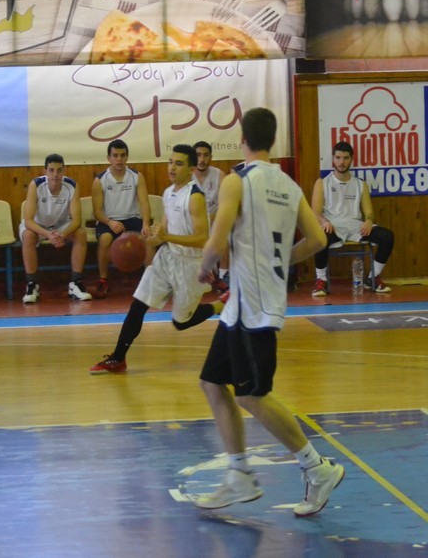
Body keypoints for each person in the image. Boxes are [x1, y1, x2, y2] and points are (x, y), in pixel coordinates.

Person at [192, 108, 345, 518]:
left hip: (253, 308)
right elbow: (317, 240)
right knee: (212, 382)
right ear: (273, 141)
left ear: (242, 139)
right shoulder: (289, 185)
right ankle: (239, 473)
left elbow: (217, 239)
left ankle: (317, 467)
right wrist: (281, 261)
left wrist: (204, 267)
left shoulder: (237, 180)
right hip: (244, 305)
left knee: (252, 395)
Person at [89, 145, 224, 375]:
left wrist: (166, 237)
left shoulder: (195, 197)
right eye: (170, 162)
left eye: (178, 164)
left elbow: (203, 239)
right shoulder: (168, 192)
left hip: (190, 264)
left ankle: (222, 304)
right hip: (167, 257)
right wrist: (150, 238)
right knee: (138, 304)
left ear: (191, 169)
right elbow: (165, 228)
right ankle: (118, 358)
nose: (172, 167)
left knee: (181, 322)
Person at [311, 141, 395, 296]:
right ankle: (321, 281)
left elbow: (369, 213)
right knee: (319, 237)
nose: (341, 162)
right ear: (333, 159)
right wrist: (324, 221)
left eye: (345, 158)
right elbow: (315, 212)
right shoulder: (322, 183)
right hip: (333, 226)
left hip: (356, 227)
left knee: (387, 237)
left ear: (351, 159)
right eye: (338, 158)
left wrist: (369, 221)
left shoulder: (360, 184)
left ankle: (372, 277)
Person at [20, 153, 92, 304]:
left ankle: (75, 283)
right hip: (39, 226)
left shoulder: (71, 185)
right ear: (45, 171)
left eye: (59, 170)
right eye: (51, 170)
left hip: (60, 226)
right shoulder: (36, 185)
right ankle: (32, 284)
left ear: (64, 171)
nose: (55, 174)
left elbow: (77, 220)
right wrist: (49, 235)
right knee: (28, 235)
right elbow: (28, 221)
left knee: (81, 234)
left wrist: (63, 235)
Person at [90, 139, 151, 298]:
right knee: (105, 239)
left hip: (132, 218)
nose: (119, 159)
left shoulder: (137, 177)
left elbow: (144, 203)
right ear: (108, 158)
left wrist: (145, 224)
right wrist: (110, 222)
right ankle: (103, 280)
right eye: (115, 155)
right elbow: (97, 212)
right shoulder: (100, 180)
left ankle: (150, 280)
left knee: (148, 238)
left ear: (127, 157)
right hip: (108, 220)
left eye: (123, 155)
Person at [193, 140, 229, 286]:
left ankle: (224, 276)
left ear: (211, 157)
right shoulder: (186, 176)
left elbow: (226, 205)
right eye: (198, 155)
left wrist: (212, 220)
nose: (202, 159)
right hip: (193, 223)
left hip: (215, 220)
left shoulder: (220, 175)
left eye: (205, 155)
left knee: (226, 232)